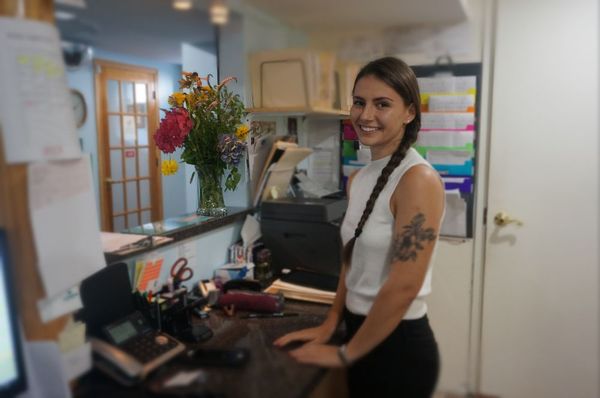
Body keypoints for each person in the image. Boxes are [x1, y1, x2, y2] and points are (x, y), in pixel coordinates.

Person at [273, 56, 445, 397]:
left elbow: (404, 286)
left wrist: (345, 353)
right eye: (359, 102)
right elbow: (351, 263)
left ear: (409, 112)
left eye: (382, 104)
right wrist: (331, 323)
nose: (365, 115)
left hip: (398, 348)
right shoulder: (359, 178)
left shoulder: (417, 179)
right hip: (357, 333)